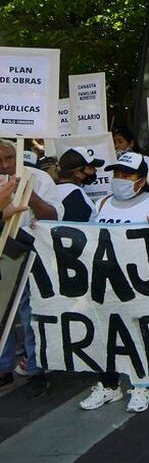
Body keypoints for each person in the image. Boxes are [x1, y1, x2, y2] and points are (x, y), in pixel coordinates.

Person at [80, 152, 149, 413]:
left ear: (141, 180)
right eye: (117, 174)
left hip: (142, 286)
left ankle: (141, 386)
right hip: (105, 282)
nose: (120, 179)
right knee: (104, 334)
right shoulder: (101, 205)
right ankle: (109, 385)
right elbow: (87, 238)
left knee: (139, 335)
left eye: (127, 175)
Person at [0, 139, 60, 398]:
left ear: (18, 157)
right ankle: (3, 368)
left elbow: (53, 216)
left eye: (9, 159)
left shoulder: (39, 178)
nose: (4, 165)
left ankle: (36, 370)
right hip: (3, 252)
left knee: (29, 314)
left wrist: (29, 192)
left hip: (30, 253)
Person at [54, 147, 104, 222]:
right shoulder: (75, 195)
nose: (95, 170)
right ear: (77, 173)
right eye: (91, 168)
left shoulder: (50, 188)